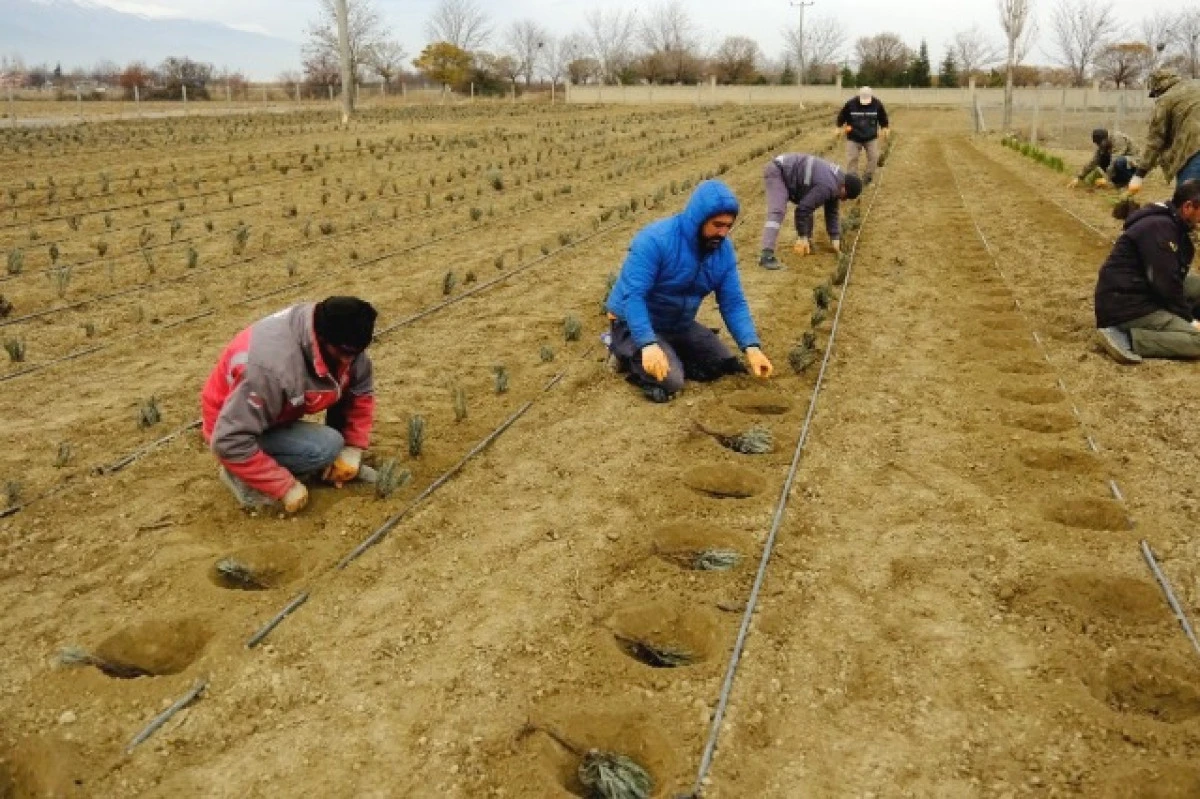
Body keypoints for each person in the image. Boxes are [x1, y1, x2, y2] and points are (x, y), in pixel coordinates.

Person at [201, 296, 378, 512]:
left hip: (270, 415)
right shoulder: (271, 368)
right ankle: (239, 475)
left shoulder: (340, 336)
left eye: (355, 353)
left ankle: (316, 464)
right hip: (231, 426)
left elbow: (360, 393)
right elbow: (229, 439)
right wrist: (284, 486)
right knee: (324, 447)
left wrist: (351, 448)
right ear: (322, 338)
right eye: (344, 353)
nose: (348, 360)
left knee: (332, 445)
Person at [605, 179, 774, 403]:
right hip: (632, 320)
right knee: (671, 381)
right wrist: (648, 344)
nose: (723, 233)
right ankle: (620, 349)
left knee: (722, 365)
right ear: (698, 220)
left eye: (728, 226)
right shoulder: (656, 240)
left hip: (677, 322)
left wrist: (751, 347)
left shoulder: (722, 252)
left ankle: (668, 350)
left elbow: (733, 302)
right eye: (717, 224)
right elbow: (634, 297)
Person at [1094, 180, 1200, 364]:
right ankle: (1125, 337)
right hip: (1127, 307)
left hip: (1143, 291)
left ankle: (1180, 324)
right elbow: (1166, 284)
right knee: (1197, 341)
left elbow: (1173, 277)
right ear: (1188, 207)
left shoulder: (1174, 223)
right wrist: (1190, 321)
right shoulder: (1159, 228)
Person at [757, 153, 862, 270]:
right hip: (778, 171)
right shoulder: (828, 186)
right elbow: (801, 210)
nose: (843, 200)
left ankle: (807, 241)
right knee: (777, 211)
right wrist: (802, 236)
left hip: (793, 175)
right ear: (844, 187)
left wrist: (835, 238)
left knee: (810, 204)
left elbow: (831, 212)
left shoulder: (836, 181)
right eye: (845, 196)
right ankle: (766, 255)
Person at [1129, 69, 1200, 195]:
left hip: (1195, 150)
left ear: (1158, 87)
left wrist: (1139, 175)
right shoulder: (1196, 84)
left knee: (1188, 199)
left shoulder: (1166, 99)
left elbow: (1155, 140)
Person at [836, 86, 890, 185]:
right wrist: (838, 127)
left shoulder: (877, 104)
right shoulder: (851, 104)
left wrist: (885, 127)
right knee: (852, 158)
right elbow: (842, 115)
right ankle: (852, 179)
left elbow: (883, 117)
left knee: (874, 157)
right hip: (854, 136)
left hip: (871, 137)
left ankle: (868, 176)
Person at [1069, 128, 1138, 189]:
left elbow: (1115, 159)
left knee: (1119, 162)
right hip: (1121, 161)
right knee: (1101, 159)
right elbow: (1093, 161)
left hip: (1133, 161)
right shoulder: (1104, 144)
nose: (1098, 145)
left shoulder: (1118, 139)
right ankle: (1119, 182)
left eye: (1099, 143)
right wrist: (1079, 177)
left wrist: (1106, 178)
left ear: (1105, 138)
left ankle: (1132, 181)